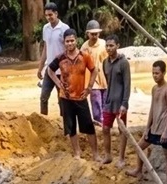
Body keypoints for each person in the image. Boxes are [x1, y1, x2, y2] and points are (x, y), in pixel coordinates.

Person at [47, 28, 97, 160]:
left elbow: (94, 70)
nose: (69, 43)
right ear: (64, 43)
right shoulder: (60, 58)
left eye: (72, 41)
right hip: (66, 97)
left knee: (88, 126)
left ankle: (95, 154)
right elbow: (50, 71)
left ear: (76, 41)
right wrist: (59, 84)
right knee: (71, 127)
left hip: (81, 97)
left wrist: (90, 87)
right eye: (67, 41)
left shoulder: (84, 56)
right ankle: (77, 153)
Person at [129, 60, 167, 184]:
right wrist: (146, 128)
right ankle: (139, 170)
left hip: (165, 129)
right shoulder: (154, 88)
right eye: (153, 73)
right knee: (139, 146)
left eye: (157, 73)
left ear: (164, 73)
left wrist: (166, 131)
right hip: (154, 127)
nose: (155, 76)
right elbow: (152, 108)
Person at [80, 20, 109, 164]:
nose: (94, 36)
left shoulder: (104, 44)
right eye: (92, 34)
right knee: (96, 105)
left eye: (96, 34)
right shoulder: (85, 47)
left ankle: (106, 127)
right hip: (93, 81)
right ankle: (99, 127)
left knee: (105, 105)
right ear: (87, 34)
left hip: (106, 79)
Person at [101, 33, 132, 166]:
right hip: (109, 102)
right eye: (107, 46)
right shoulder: (105, 63)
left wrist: (124, 103)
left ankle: (121, 158)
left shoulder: (124, 63)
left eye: (111, 45)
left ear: (118, 46)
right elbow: (108, 82)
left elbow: (127, 84)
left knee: (122, 130)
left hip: (120, 103)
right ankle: (108, 155)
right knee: (105, 128)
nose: (109, 48)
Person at [38, 3, 67, 116]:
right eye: (46, 15)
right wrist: (40, 68)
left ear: (56, 13)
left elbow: (68, 49)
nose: (48, 17)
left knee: (62, 99)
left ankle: (63, 123)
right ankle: (42, 121)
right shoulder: (46, 28)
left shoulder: (64, 28)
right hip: (49, 69)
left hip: (62, 70)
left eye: (50, 14)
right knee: (43, 97)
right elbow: (46, 48)